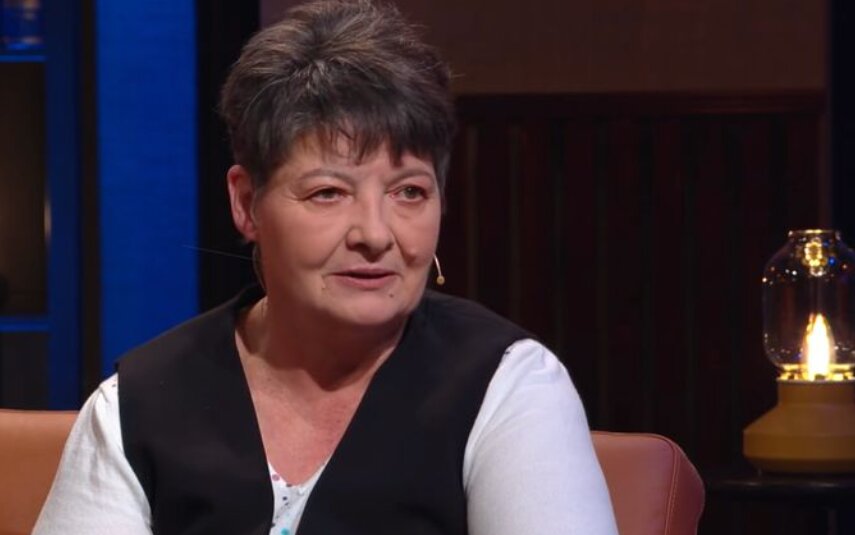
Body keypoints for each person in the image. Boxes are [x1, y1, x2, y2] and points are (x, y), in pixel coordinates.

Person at [33, 1, 618, 534]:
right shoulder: (138, 405)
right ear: (247, 203)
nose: (375, 235)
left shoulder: (509, 388)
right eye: (328, 193)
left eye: (409, 192)